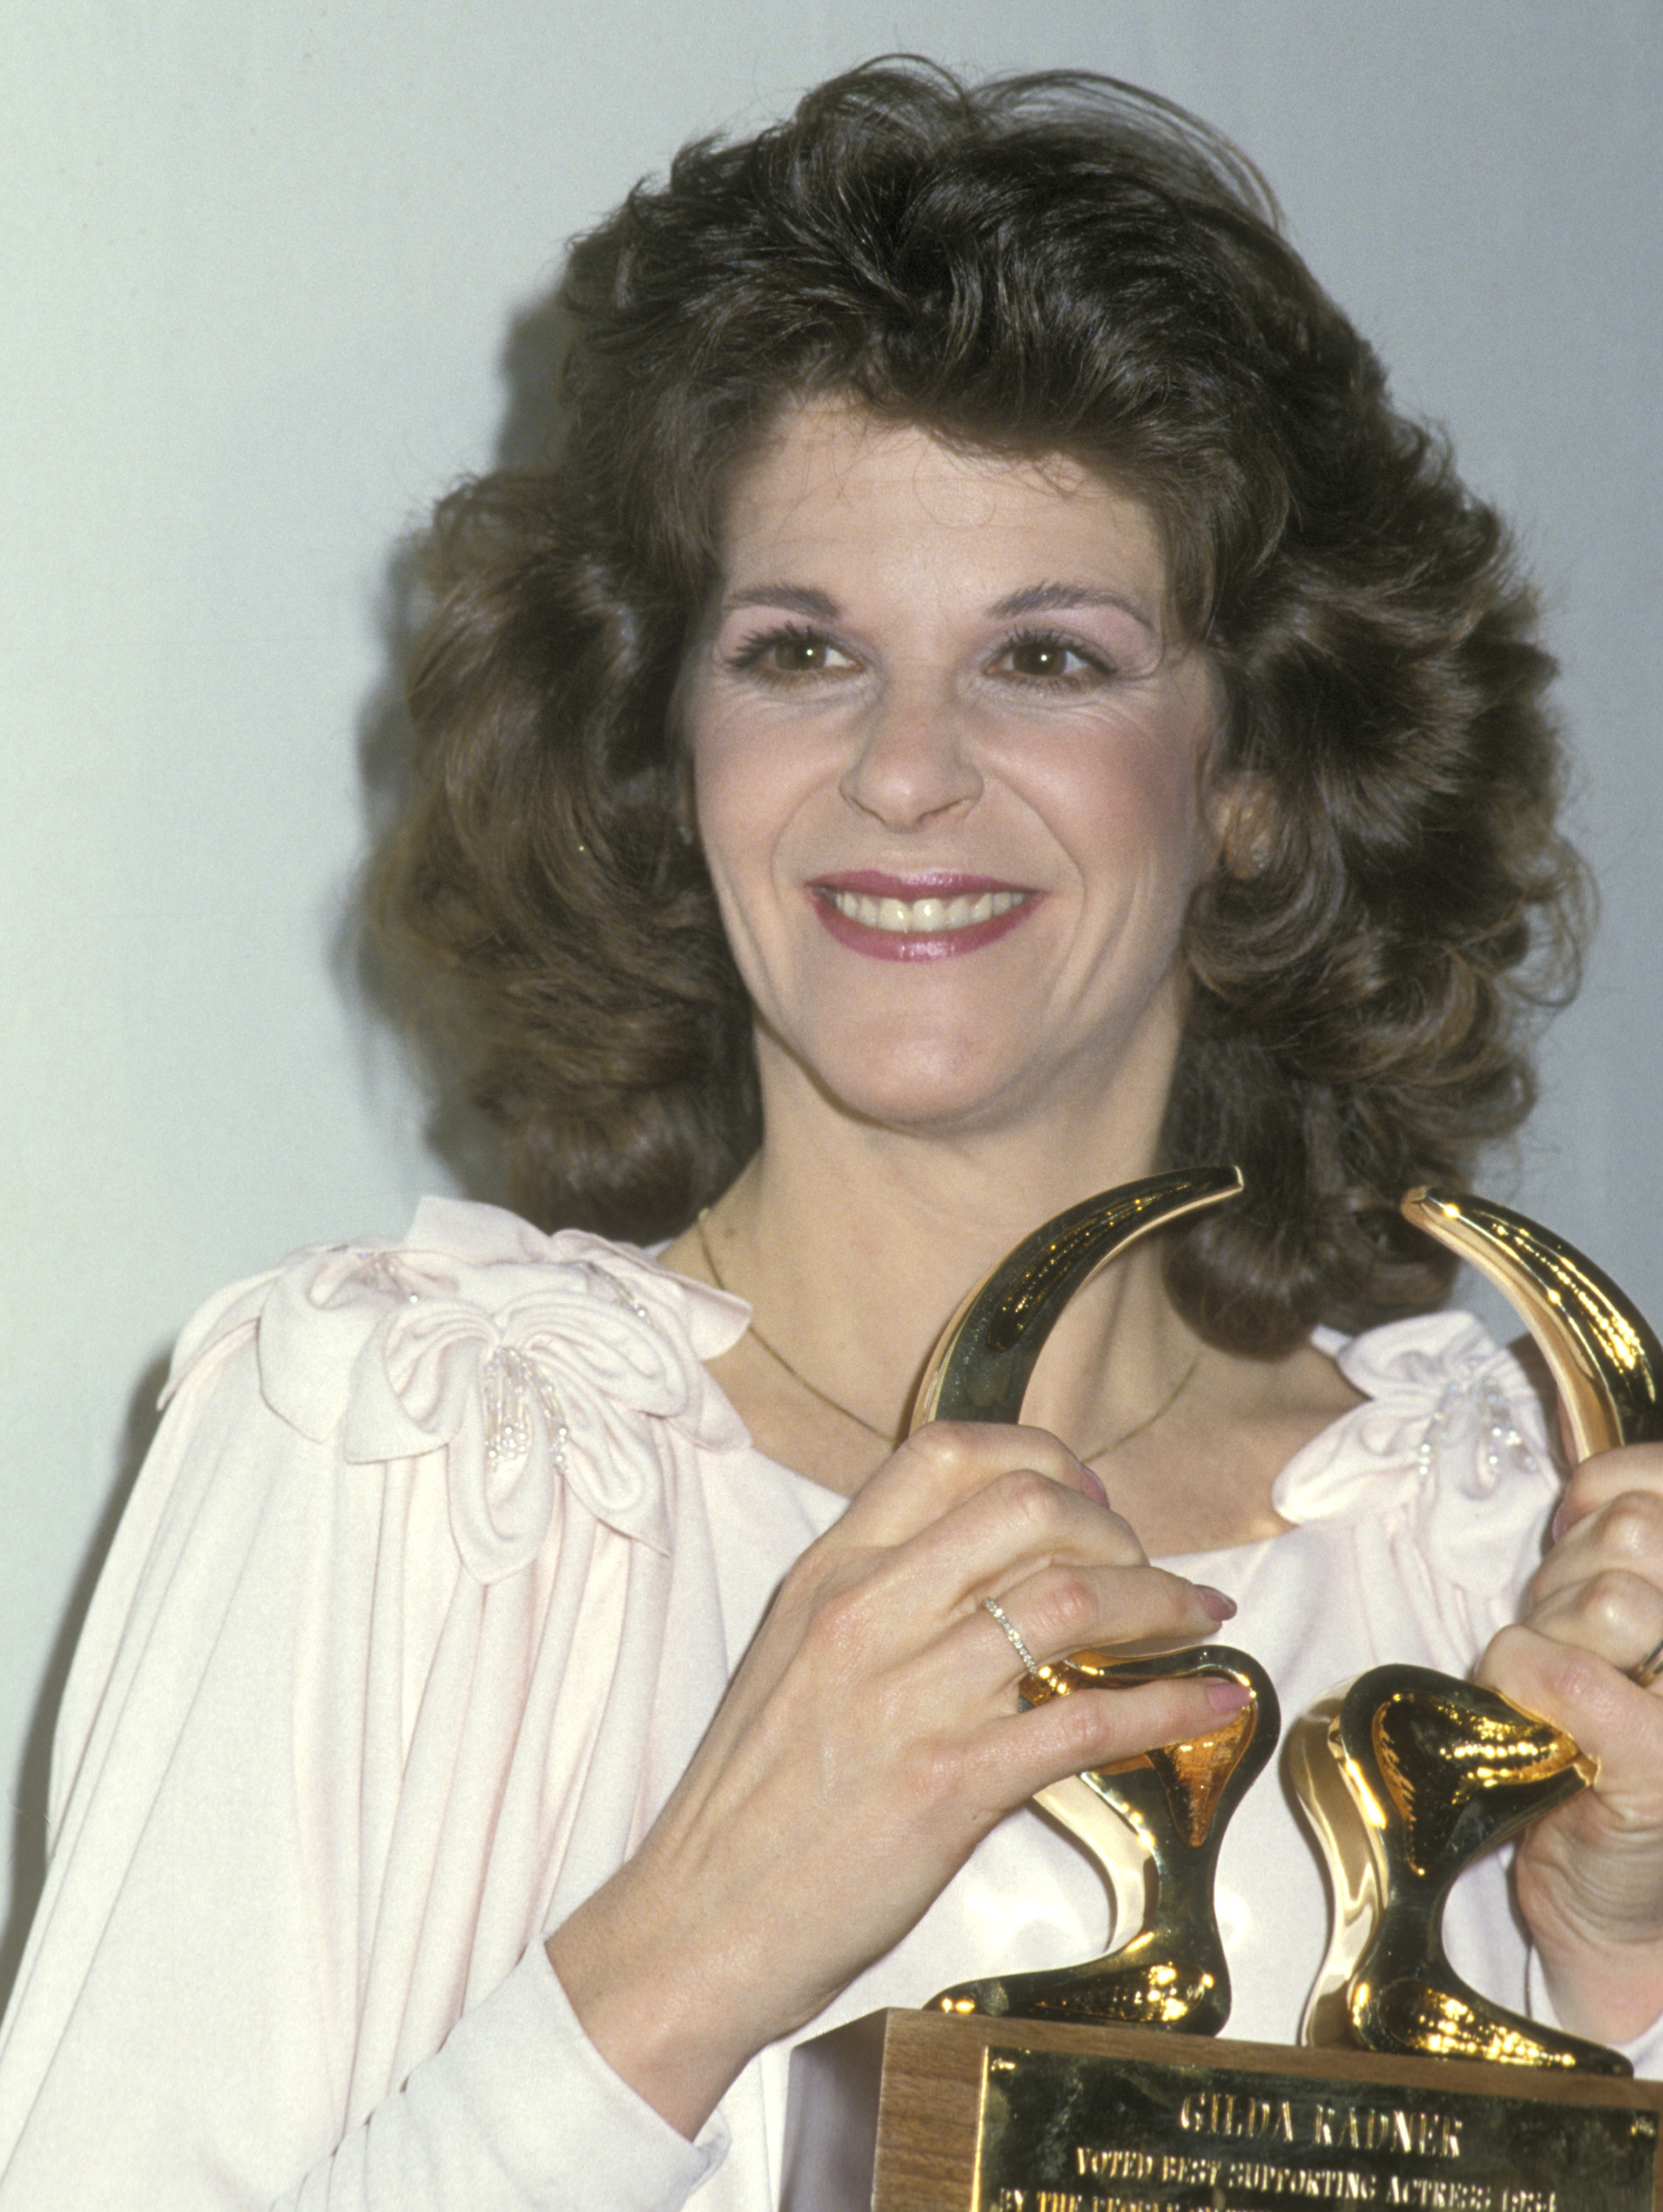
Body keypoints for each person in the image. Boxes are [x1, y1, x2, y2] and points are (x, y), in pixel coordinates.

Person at [1, 58, 1660, 2211]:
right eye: (801, 652)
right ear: (664, 744)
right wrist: (698, 1935)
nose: (904, 770)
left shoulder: (1501, 1546)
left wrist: (1615, 1976)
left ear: (1253, 777)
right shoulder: (410, 1462)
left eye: (1047, 658)